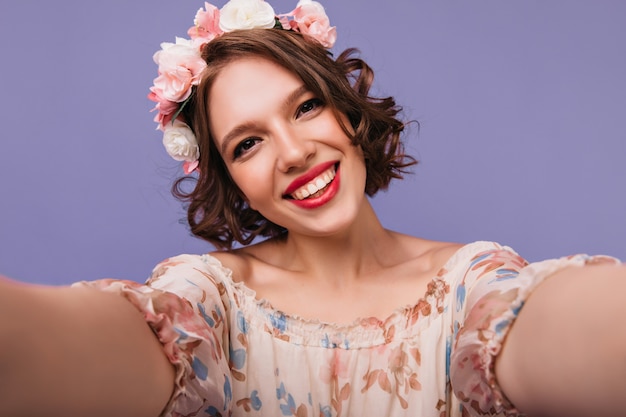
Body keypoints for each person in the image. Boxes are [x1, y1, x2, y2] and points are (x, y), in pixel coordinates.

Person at [0, 0, 625, 416]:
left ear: (348, 112)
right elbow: (65, 341)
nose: (294, 152)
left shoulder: (471, 286)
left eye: (305, 108)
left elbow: (566, 325)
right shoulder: (209, 301)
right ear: (231, 182)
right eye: (249, 143)